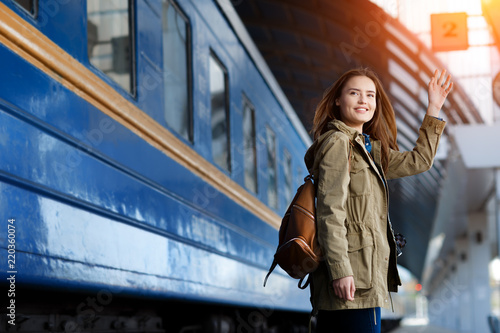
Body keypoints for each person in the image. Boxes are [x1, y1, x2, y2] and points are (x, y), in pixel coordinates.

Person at [304, 68, 452, 332]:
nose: (364, 100)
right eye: (354, 93)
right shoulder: (339, 143)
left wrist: (433, 108)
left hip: (364, 279)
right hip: (351, 280)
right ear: (338, 100)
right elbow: (330, 211)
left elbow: (420, 161)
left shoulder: (370, 151)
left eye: (370, 95)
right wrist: (340, 270)